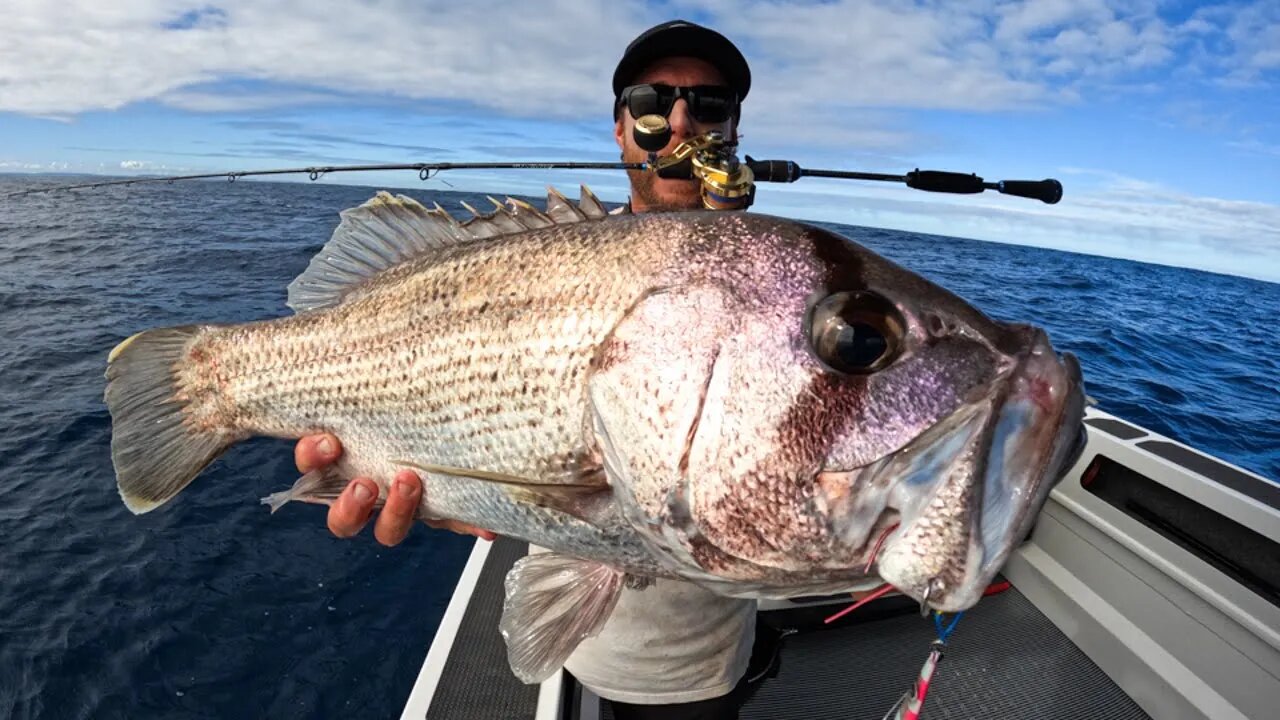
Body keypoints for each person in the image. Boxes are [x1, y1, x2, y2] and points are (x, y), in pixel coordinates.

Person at [292, 20, 776, 720]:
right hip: (589, 641)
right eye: (651, 102)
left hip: (700, 665)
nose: (677, 122)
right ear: (619, 129)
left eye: (708, 105)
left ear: (731, 130)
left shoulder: (773, 294)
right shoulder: (551, 257)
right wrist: (442, 483)